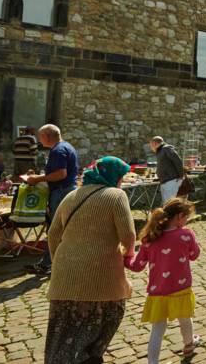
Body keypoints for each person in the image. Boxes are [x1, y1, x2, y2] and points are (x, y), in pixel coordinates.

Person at [44, 156, 136, 364]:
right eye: (121, 177)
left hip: (64, 275)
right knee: (110, 314)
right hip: (99, 275)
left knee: (62, 331)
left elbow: (53, 234)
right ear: (114, 176)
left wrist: (58, 261)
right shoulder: (116, 195)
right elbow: (128, 235)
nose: (122, 181)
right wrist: (128, 254)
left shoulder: (71, 196)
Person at [125, 198, 201, 364]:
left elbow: (137, 266)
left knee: (158, 329)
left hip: (158, 290)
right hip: (181, 288)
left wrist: (126, 257)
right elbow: (194, 255)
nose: (186, 221)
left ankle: (153, 362)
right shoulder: (186, 235)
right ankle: (189, 345)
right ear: (180, 216)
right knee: (185, 319)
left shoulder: (149, 238)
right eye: (186, 217)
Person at [26, 124, 79, 276]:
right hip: (66, 190)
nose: (39, 141)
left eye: (41, 137)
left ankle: (50, 263)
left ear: (47, 137)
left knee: (56, 229)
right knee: (62, 227)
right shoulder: (66, 147)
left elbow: (61, 174)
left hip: (61, 191)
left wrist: (38, 178)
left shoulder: (58, 150)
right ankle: (51, 262)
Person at [150, 136, 184, 204]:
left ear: (154, 143)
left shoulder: (166, 149)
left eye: (151, 145)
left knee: (171, 203)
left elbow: (178, 161)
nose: (151, 147)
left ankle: (173, 214)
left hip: (171, 180)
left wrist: (181, 175)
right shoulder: (160, 150)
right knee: (167, 203)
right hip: (166, 180)